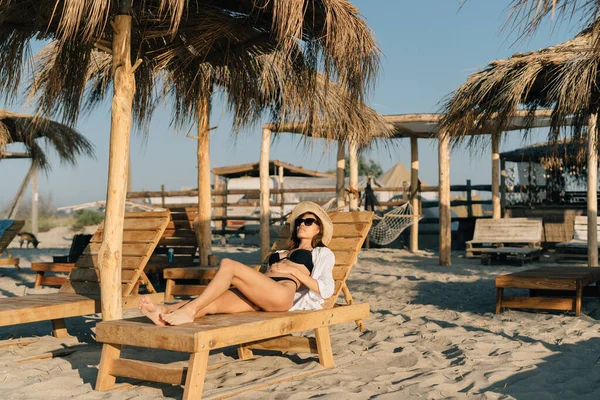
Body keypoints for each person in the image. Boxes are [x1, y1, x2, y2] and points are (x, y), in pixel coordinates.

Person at [139, 201, 335, 326]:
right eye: (300, 221)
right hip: (261, 295)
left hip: (281, 295)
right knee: (211, 303)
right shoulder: (280, 252)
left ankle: (189, 312)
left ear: (318, 229)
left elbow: (326, 289)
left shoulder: (320, 253)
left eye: (308, 222)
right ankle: (163, 311)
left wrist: (295, 271)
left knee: (229, 264)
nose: (302, 224)